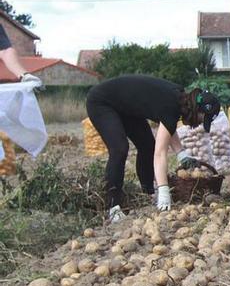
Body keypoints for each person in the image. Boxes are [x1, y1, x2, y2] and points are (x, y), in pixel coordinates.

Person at [85, 75, 222, 222]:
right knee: (119, 149)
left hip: (126, 107)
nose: (200, 123)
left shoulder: (180, 99)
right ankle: (112, 207)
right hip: (102, 102)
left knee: (147, 146)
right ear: (197, 110)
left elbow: (168, 127)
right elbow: (160, 154)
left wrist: (181, 154)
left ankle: (147, 193)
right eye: (203, 119)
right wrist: (163, 189)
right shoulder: (171, 106)